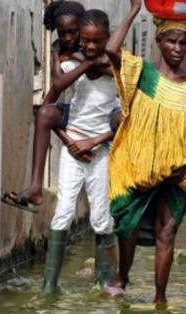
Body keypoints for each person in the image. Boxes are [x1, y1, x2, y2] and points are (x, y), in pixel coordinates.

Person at [103, 0, 186, 304]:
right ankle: (123, 276)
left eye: (183, 42)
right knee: (129, 225)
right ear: (159, 41)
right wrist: (134, 10)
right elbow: (111, 51)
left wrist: (185, 163)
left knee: (168, 231)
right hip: (138, 168)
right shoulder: (141, 73)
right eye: (171, 41)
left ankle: (160, 298)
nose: (177, 48)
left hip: (177, 173)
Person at [37, 9, 121, 293]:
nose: (88, 44)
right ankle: (50, 285)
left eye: (95, 40)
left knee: (100, 216)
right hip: (73, 147)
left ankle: (104, 280)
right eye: (84, 39)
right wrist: (71, 142)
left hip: (102, 148)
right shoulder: (70, 59)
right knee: (62, 212)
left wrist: (93, 142)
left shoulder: (113, 61)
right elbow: (54, 93)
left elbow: (126, 107)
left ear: (106, 38)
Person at [2, 0, 88, 212]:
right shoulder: (58, 48)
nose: (68, 38)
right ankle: (35, 187)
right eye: (62, 32)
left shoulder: (93, 43)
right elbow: (57, 85)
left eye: (73, 32)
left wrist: (81, 58)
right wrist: (68, 140)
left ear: (82, 28)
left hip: (105, 110)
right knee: (44, 113)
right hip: (77, 110)